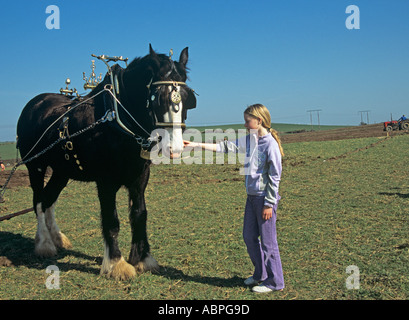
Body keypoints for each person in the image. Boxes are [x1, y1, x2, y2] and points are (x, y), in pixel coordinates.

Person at [183, 104, 285, 293]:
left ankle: (275, 282)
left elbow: (275, 176)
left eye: (248, 121)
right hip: (252, 198)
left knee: (269, 243)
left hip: (265, 200)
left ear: (259, 121)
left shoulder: (270, 145)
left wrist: (269, 204)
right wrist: (196, 144)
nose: (245, 125)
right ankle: (260, 274)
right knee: (249, 237)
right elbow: (225, 147)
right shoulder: (250, 140)